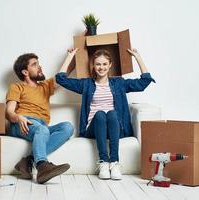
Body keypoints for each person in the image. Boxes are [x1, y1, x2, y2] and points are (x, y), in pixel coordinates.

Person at [55, 48, 155, 180]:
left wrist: (137, 56)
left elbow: (143, 82)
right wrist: (69, 56)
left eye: (104, 64)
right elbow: (61, 79)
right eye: (98, 64)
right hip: (94, 128)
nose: (101, 67)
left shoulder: (119, 83)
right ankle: (103, 162)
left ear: (110, 65)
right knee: (100, 114)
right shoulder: (86, 84)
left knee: (112, 114)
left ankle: (114, 163)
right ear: (93, 65)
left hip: (116, 127)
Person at [5, 52, 76, 184]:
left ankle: (28, 161)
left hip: (41, 125)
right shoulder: (17, 87)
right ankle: (42, 166)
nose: (40, 66)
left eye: (38, 63)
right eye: (35, 64)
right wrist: (18, 117)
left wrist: (70, 55)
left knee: (68, 127)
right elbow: (9, 112)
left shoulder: (45, 86)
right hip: (22, 123)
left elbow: (62, 75)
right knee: (42, 130)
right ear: (25, 72)